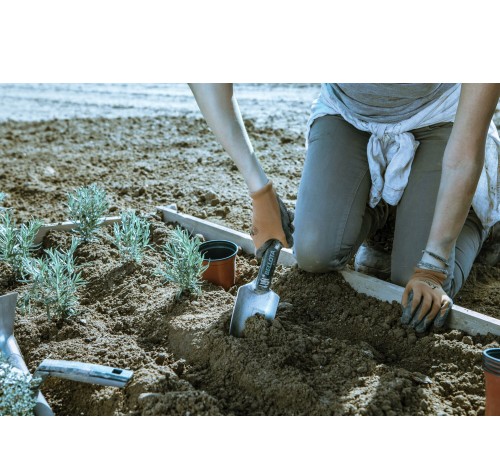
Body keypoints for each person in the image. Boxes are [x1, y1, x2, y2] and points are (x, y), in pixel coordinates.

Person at [189, 83, 500, 333]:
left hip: (442, 116)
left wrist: (433, 265)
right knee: (312, 252)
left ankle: (473, 220)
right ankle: (386, 211)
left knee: (410, 284)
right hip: (348, 113)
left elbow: (464, 155)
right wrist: (260, 191)